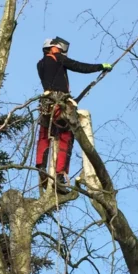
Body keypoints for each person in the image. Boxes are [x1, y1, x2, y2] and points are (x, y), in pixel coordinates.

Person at [35, 36, 112, 191]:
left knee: (44, 135)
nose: (63, 52)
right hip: (60, 103)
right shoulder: (57, 58)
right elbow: (78, 66)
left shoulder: (40, 64)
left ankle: (41, 168)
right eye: (59, 48)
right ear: (52, 48)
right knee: (66, 136)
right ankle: (59, 176)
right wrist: (100, 67)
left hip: (46, 104)